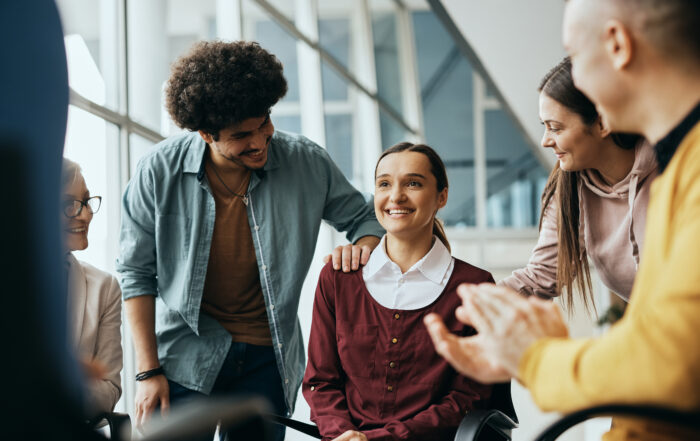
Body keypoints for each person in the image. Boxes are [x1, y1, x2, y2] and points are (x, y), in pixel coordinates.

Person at [425, 0, 700, 439]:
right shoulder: (679, 166)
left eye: (575, 52)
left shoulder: (685, 172)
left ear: (616, 44)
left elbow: (672, 366)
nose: (576, 77)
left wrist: (534, 357)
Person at [116, 41, 383, 439]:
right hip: (183, 356)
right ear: (206, 134)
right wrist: (147, 371)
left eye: (265, 124)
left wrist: (362, 247)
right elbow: (136, 274)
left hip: (267, 359)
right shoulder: (159, 170)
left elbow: (366, 216)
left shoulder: (306, 161)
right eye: (242, 135)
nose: (259, 142)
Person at [303, 143, 493, 441]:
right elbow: (320, 382)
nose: (396, 196)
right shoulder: (338, 278)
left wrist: (382, 439)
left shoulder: (475, 287)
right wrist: (344, 434)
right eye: (384, 184)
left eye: (413, 183)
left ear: (441, 196)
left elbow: (469, 397)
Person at [501, 57, 655, 311]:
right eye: (545, 127)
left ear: (603, 122)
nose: (545, 141)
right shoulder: (570, 188)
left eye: (555, 128)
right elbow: (539, 278)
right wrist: (466, 306)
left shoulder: (674, 168)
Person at [63, 158, 123, 419]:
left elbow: (109, 389)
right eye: (69, 205)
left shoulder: (104, 288)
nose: (86, 214)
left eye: (86, 202)